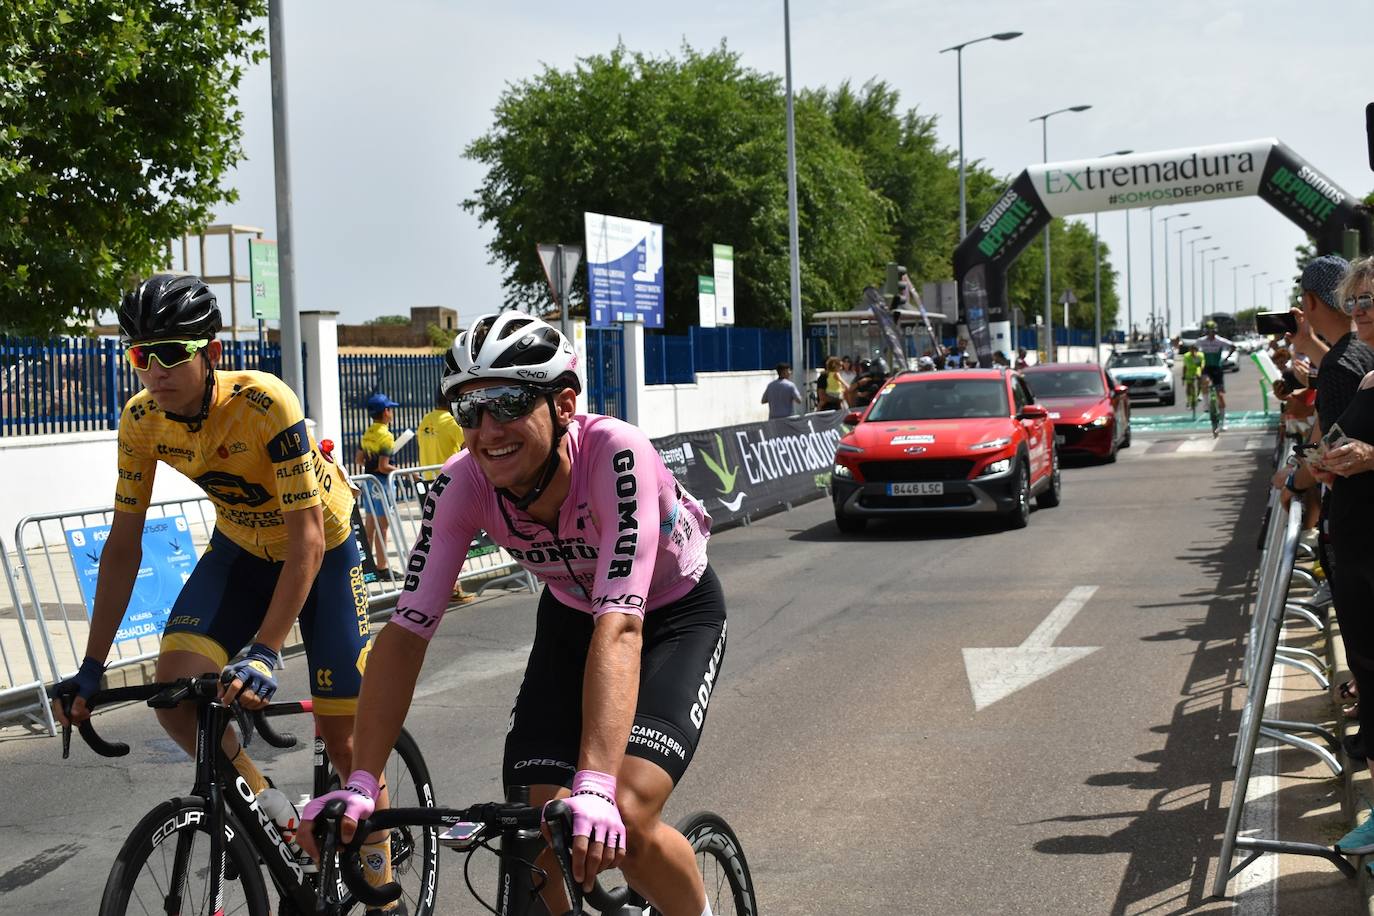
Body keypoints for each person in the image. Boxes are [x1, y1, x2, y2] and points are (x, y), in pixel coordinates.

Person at [298, 313, 727, 916]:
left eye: (506, 402)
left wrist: (598, 784)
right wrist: (363, 781)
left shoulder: (616, 455)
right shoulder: (460, 485)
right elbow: (407, 633)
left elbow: (622, 624)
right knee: (533, 822)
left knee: (623, 814)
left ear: (563, 404)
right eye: (467, 411)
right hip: (573, 617)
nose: (486, 429)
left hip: (669, 615)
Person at [48, 275, 393, 895]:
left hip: (324, 549)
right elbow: (123, 547)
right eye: (140, 355)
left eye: (172, 352)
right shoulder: (142, 420)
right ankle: (270, 808)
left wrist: (264, 648)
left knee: (346, 743)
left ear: (212, 352)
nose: (155, 369)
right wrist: (91, 665)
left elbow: (307, 539)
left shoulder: (265, 403)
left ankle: (382, 894)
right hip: (239, 548)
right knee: (173, 690)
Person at [418, 384, 475, 604]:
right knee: (454, 536)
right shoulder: (451, 422)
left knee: (437, 536)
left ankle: (446, 585)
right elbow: (468, 447)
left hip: (427, 482)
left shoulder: (426, 420)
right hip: (449, 482)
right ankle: (451, 586)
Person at [355, 392, 400, 580]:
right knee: (383, 527)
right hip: (381, 484)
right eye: (390, 409)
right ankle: (382, 568)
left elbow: (358, 459)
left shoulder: (368, 432)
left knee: (370, 526)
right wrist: (404, 472)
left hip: (368, 482)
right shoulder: (386, 436)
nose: (392, 413)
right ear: (386, 412)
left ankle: (367, 566)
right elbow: (384, 466)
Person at [1195, 320, 1237, 430]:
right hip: (1207, 367)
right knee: (1204, 381)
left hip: (1217, 369)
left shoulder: (1219, 341)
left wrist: (1226, 358)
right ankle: (1206, 404)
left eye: (1212, 332)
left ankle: (1223, 422)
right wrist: (1196, 358)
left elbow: (1233, 346)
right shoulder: (1201, 341)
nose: (1210, 334)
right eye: (1208, 332)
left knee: (1221, 396)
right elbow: (1193, 348)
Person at [1180, 344, 1205, 413]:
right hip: (1189, 371)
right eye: (1191, 350)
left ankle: (1199, 393)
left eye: (1195, 350)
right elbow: (1185, 366)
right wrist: (1183, 376)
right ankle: (1188, 401)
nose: (1193, 352)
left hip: (1197, 369)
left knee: (1199, 377)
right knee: (1189, 386)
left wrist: (1195, 357)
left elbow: (1201, 366)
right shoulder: (1186, 356)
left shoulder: (1200, 355)